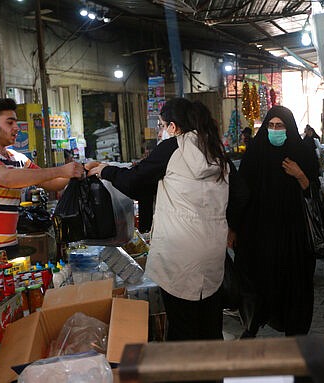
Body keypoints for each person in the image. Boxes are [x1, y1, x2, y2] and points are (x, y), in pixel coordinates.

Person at [85, 98, 230, 341]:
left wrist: (104, 170)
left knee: (183, 327)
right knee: (209, 324)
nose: (162, 131)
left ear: (173, 127)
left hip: (180, 253)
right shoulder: (214, 150)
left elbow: (134, 181)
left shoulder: (173, 147)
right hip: (213, 250)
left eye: (163, 125)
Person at [0, 98, 84, 259]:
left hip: (9, 245)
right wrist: (61, 169)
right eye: (10, 123)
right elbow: (8, 178)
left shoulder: (16, 158)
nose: (17, 128)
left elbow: (52, 183)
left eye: (16, 122)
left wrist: (80, 171)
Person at [235, 105, 319, 338]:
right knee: (259, 280)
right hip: (261, 233)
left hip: (295, 235)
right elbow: (241, 191)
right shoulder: (255, 153)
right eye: (270, 126)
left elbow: (314, 193)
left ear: (289, 128)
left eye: (279, 126)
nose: (274, 130)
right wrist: (235, 227)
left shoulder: (303, 153)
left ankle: (295, 333)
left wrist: (300, 175)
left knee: (295, 284)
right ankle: (252, 324)